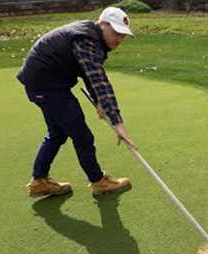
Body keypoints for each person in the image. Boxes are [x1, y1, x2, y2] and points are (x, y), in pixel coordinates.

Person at [17, 7, 137, 198]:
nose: (119, 39)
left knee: (57, 133)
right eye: (116, 33)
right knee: (82, 136)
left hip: (42, 83)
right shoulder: (86, 39)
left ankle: (39, 181)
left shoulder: (90, 37)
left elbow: (89, 73)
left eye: (123, 35)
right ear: (103, 24)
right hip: (48, 86)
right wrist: (118, 123)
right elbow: (99, 80)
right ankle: (98, 182)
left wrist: (99, 102)